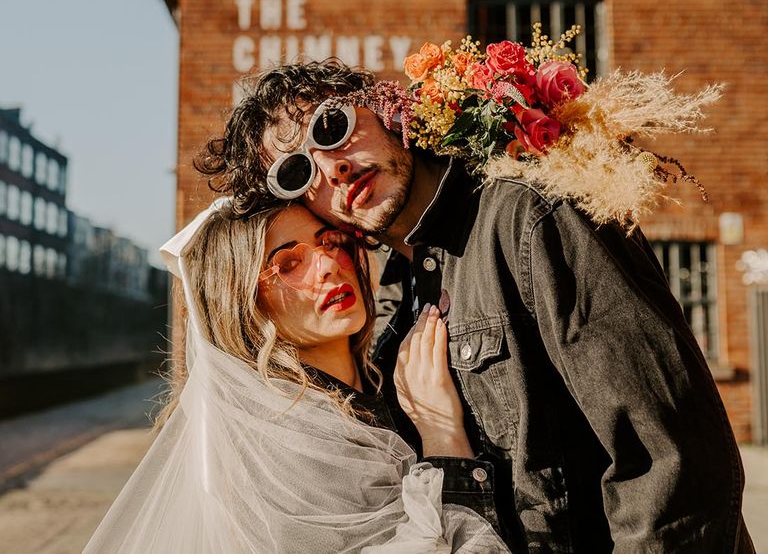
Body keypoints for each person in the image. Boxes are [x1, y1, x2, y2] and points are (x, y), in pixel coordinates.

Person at [197, 59, 755, 553]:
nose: (332, 167)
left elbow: (670, 464)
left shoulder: (531, 219)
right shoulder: (394, 303)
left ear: (382, 107)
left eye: (332, 127)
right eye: (297, 172)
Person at [84, 198, 509, 553]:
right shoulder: (292, 443)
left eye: (330, 242)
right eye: (287, 263)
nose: (327, 264)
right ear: (242, 303)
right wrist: (442, 435)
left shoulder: (379, 380)